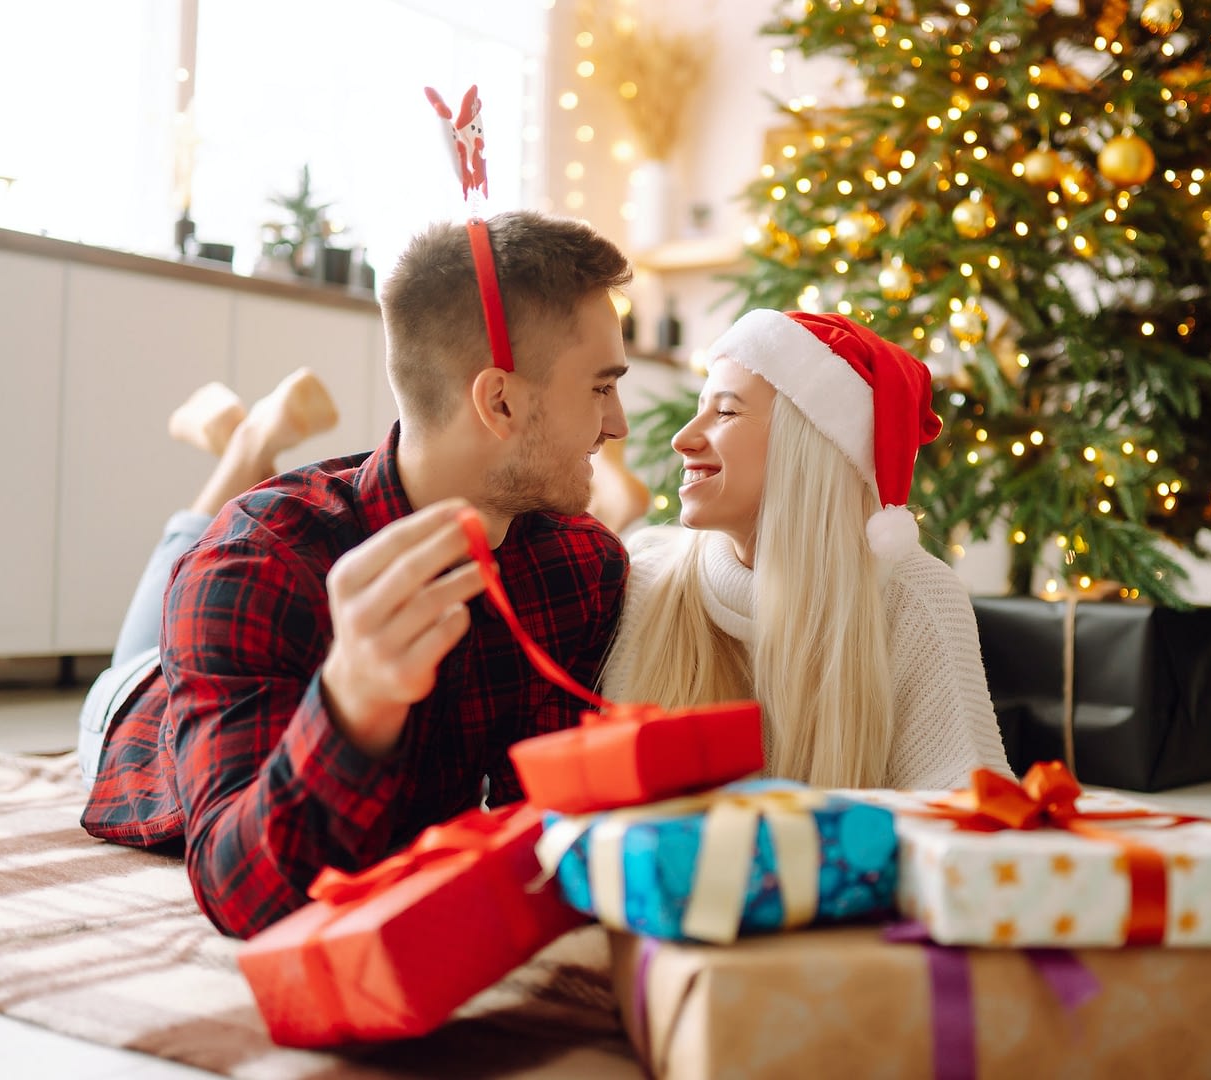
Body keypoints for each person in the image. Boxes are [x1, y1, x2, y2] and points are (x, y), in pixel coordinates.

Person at [79, 210, 635, 939]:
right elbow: (241, 892)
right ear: (499, 400)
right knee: (191, 547)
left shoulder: (582, 564)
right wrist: (353, 704)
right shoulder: (250, 562)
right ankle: (246, 444)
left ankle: (248, 439)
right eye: (601, 387)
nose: (619, 423)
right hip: (134, 710)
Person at [602, 309, 1012, 791]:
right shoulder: (651, 577)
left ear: (807, 445)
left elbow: (966, 809)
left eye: (727, 411)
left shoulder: (914, 597)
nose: (684, 439)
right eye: (700, 408)